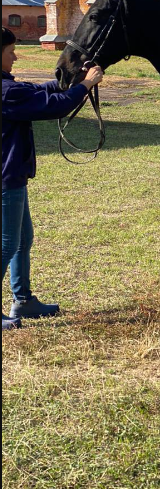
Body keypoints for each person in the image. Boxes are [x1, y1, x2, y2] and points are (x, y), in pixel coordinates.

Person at [2, 27, 104, 330]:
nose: (16, 56)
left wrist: (70, 80)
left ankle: (23, 301)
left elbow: (38, 92)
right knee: (7, 244)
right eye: (10, 53)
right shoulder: (6, 92)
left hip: (13, 176)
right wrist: (86, 85)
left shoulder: (8, 87)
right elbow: (53, 106)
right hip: (6, 180)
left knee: (22, 240)